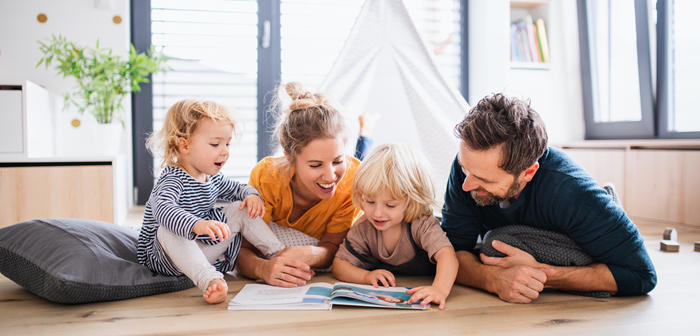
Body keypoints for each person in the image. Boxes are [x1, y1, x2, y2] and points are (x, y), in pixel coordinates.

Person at [441, 93, 657, 304]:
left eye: (483, 179)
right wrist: (491, 279)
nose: (466, 185)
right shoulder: (469, 167)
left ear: (528, 172)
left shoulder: (571, 192)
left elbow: (641, 275)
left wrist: (541, 275)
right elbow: (451, 252)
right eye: (464, 168)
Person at [137, 99, 284, 304]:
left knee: (238, 208)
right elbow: (162, 209)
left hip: (201, 250)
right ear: (184, 144)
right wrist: (196, 225)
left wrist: (251, 195)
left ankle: (279, 253)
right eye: (215, 144)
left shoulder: (212, 177)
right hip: (166, 257)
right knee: (166, 228)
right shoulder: (173, 179)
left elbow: (238, 188)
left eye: (227, 143)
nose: (224, 151)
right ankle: (210, 279)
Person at [236, 82, 375, 287]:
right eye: (316, 165)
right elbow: (242, 249)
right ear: (290, 158)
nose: (330, 177)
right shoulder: (267, 177)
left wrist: (313, 253)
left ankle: (367, 128)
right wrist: (262, 268)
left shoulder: (352, 181)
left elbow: (333, 247)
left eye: (337, 161)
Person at [332, 143, 458, 310]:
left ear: (412, 202)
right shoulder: (364, 227)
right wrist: (366, 276)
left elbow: (448, 256)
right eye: (370, 201)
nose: (377, 213)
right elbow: (339, 264)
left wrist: (439, 289)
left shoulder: (422, 224)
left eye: (390, 205)